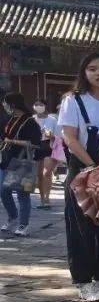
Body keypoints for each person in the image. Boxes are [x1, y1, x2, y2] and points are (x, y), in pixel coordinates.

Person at [58, 53, 99, 302]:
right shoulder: (74, 101)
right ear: (84, 73)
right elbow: (70, 138)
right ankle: (84, 281)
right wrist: (92, 166)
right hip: (83, 172)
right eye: (93, 69)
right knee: (81, 227)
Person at [1, 93, 43, 236]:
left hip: (23, 161)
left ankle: (23, 224)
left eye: (5, 103)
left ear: (13, 104)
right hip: (6, 160)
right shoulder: (9, 119)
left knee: (22, 194)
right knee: (3, 191)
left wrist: (13, 142)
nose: (4, 106)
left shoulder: (29, 121)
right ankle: (13, 217)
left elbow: (35, 144)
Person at [32, 99, 59, 209]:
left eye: (41, 104)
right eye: (36, 104)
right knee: (39, 175)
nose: (38, 106)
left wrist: (51, 136)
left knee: (47, 172)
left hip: (49, 146)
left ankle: (47, 198)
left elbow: (58, 136)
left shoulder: (52, 120)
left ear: (45, 106)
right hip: (36, 147)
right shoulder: (31, 119)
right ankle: (42, 198)